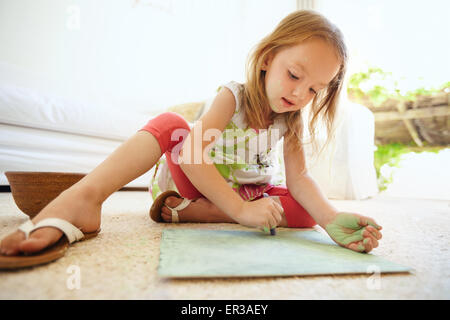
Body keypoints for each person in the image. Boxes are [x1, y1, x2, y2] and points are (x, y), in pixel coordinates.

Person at [0, 10, 381, 259]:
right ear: (267, 59)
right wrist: (240, 209)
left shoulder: (291, 120)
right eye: (295, 75)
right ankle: (84, 198)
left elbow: (300, 181)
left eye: (315, 89)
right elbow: (192, 157)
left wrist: (331, 218)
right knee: (170, 124)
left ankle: (211, 215)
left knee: (305, 215)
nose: (300, 94)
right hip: (196, 182)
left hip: (247, 195)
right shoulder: (233, 97)